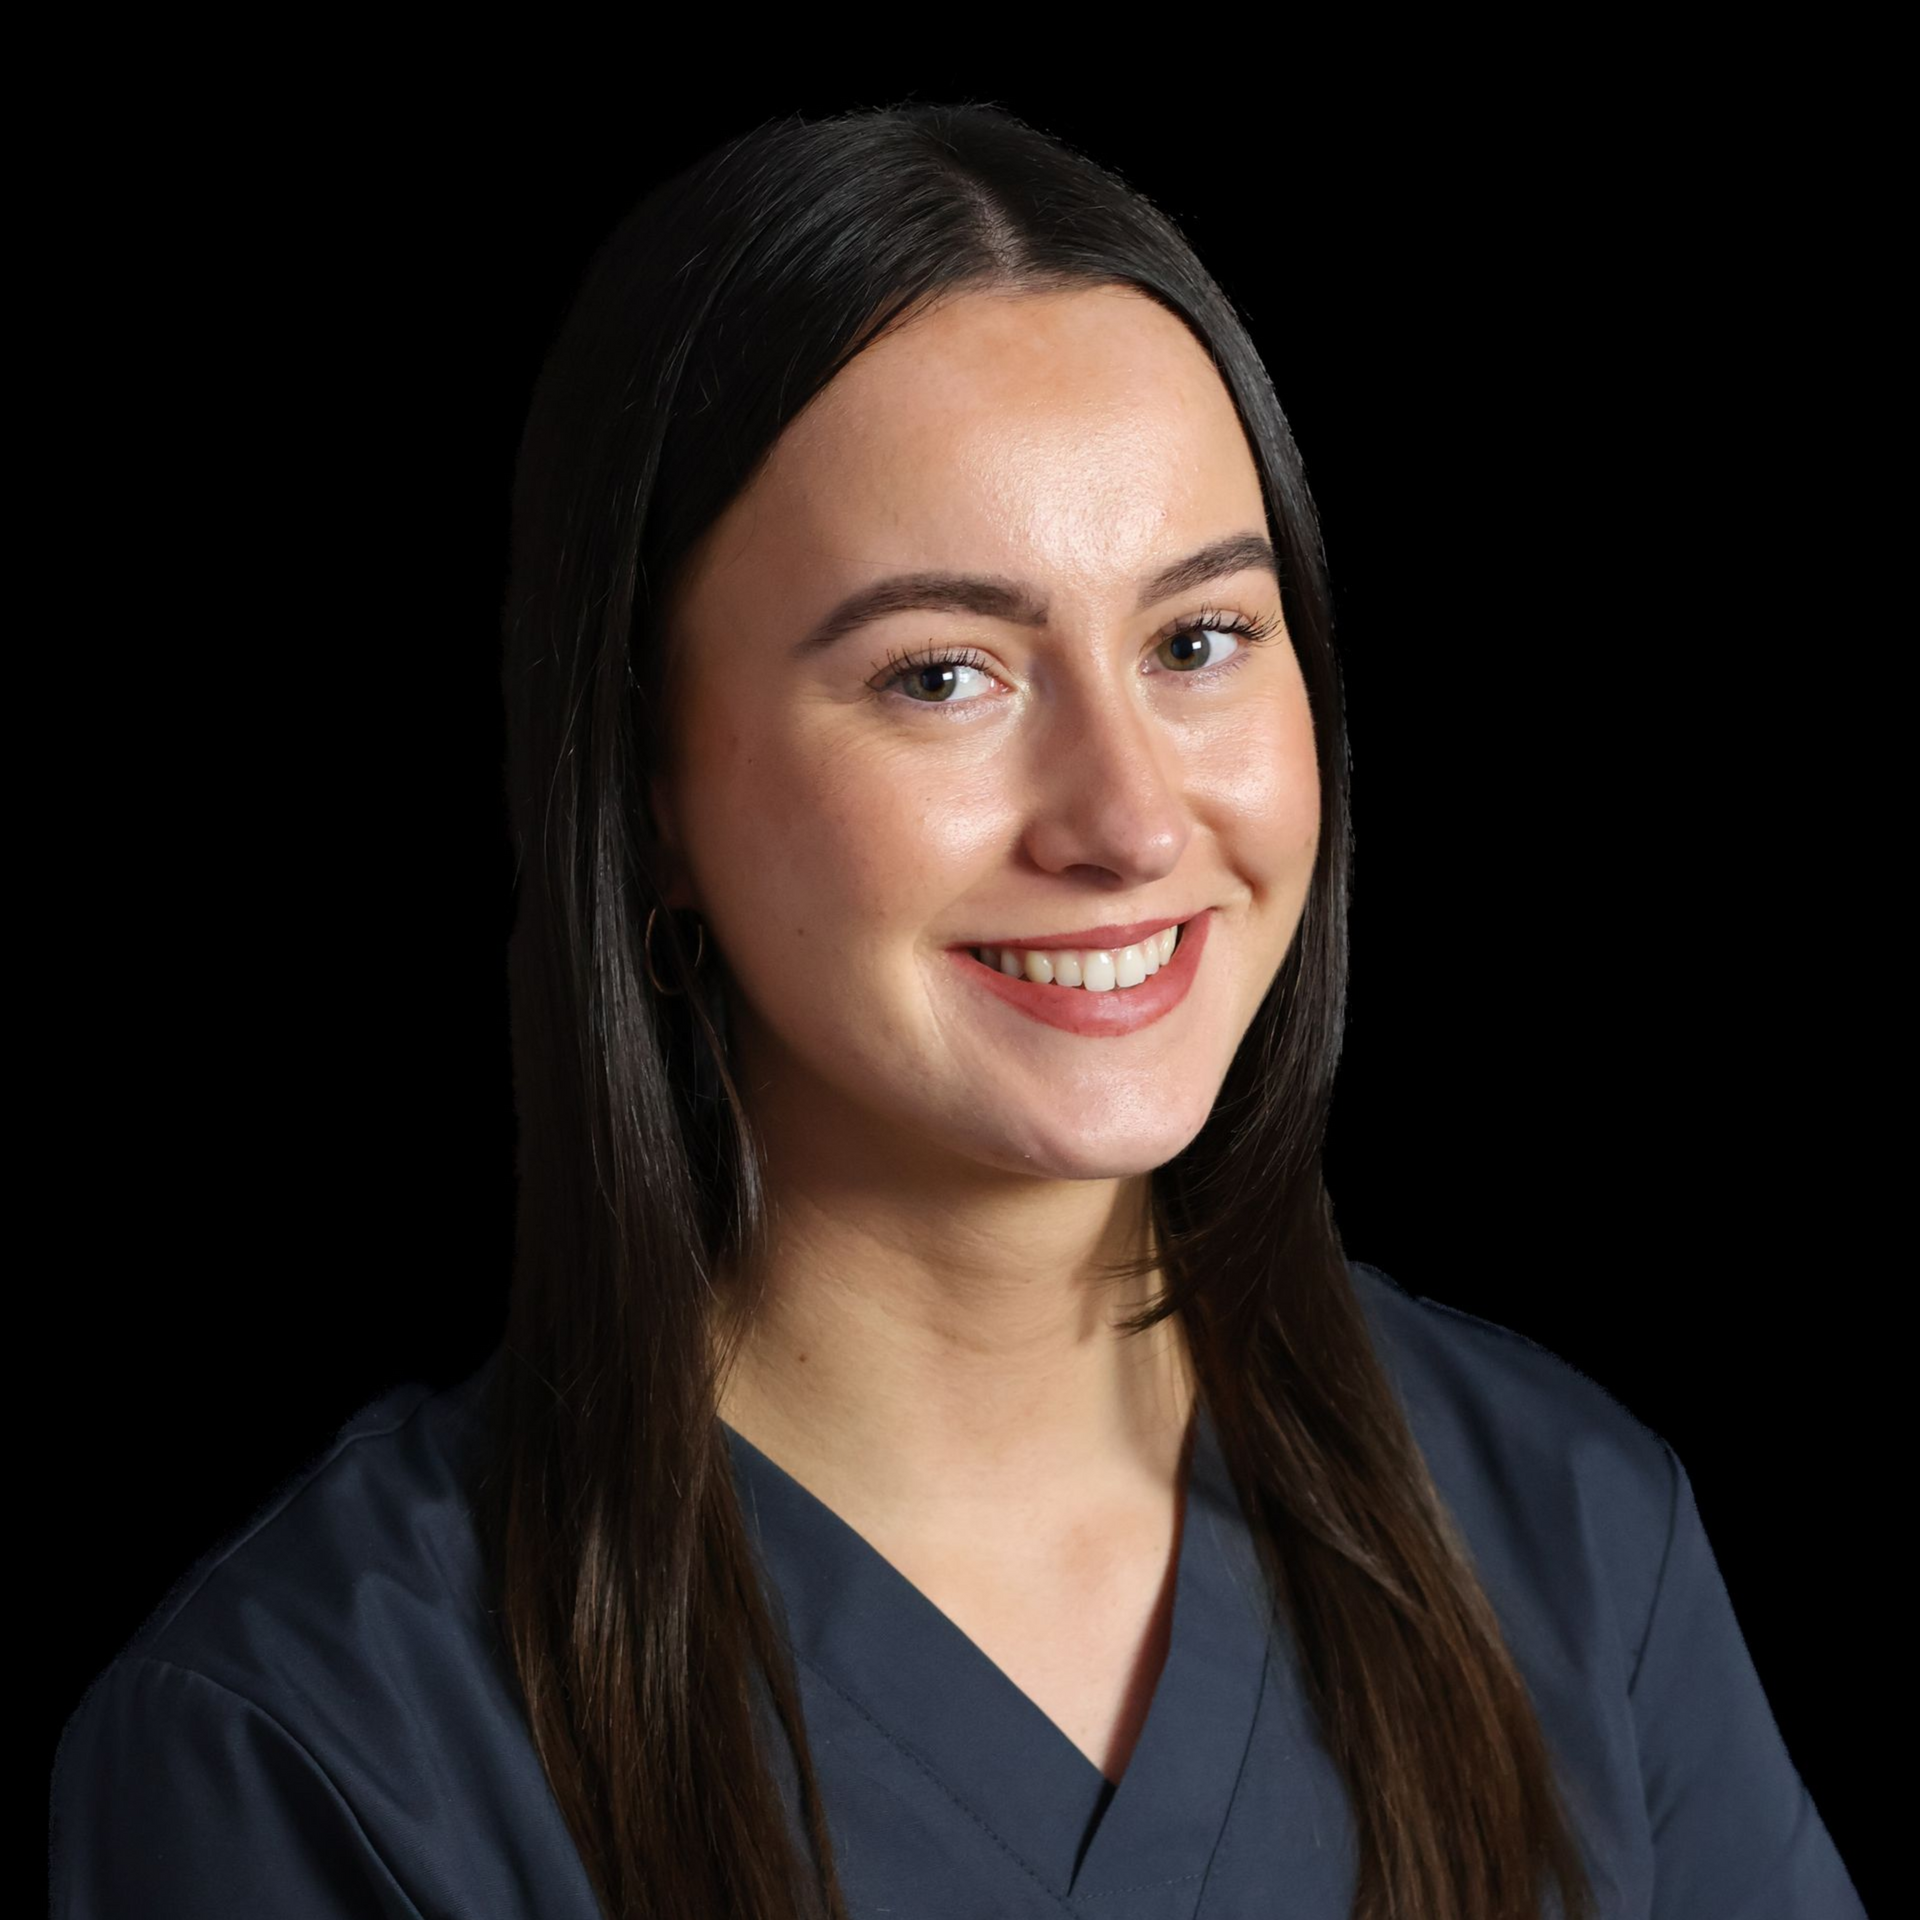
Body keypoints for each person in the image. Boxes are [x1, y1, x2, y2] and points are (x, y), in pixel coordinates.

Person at [49, 101, 1864, 1920]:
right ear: (645, 791)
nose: (1133, 818)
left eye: (1199, 641)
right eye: (941, 673)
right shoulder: (322, 1743)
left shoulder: (1564, 1533)